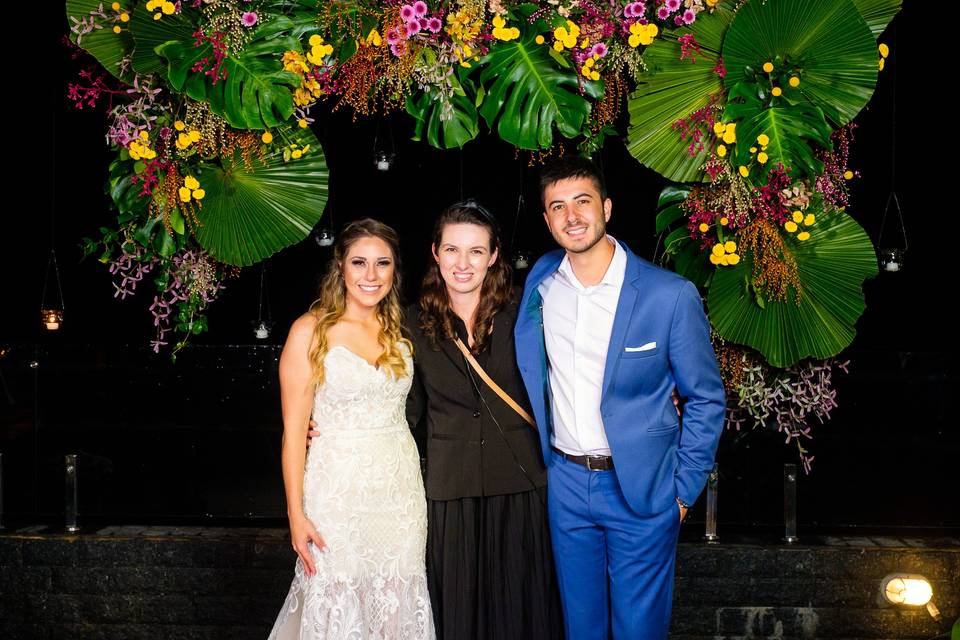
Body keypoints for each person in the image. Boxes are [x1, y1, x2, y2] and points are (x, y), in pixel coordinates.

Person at [514, 157, 726, 639]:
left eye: (583, 202)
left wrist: (681, 493)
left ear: (606, 207)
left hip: (643, 491)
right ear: (547, 221)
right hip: (566, 484)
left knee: (638, 630)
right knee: (580, 629)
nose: (572, 216)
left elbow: (707, 399)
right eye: (558, 207)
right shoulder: (540, 285)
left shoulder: (668, 295)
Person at [268, 219, 434, 640]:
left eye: (383, 263)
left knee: (398, 598)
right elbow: (293, 434)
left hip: (400, 494)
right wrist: (295, 514)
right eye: (359, 262)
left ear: (395, 270)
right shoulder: (310, 331)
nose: (371, 275)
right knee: (335, 598)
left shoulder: (402, 329)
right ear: (340, 266)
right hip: (335, 493)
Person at [404, 201, 562, 640]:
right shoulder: (410, 323)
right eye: (452, 250)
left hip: (521, 481)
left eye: (476, 251)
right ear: (435, 252)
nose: (463, 263)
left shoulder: (527, 314)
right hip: (449, 488)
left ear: (494, 256)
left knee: (520, 608)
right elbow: (402, 406)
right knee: (455, 611)